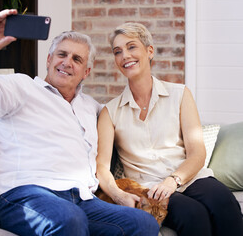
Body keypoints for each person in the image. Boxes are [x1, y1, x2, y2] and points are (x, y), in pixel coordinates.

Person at [0, 10, 159, 236]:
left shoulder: (92, 108)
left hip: (82, 200)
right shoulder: (20, 88)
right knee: (69, 219)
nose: (67, 62)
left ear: (86, 72)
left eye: (77, 59)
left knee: (144, 223)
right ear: (49, 59)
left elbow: (131, 126)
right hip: (23, 194)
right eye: (62, 54)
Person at [96, 22, 243, 236]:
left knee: (225, 203)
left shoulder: (180, 94)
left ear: (150, 51)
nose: (125, 55)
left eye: (131, 47)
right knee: (193, 216)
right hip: (148, 187)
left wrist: (173, 180)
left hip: (188, 177)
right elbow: (101, 166)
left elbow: (197, 152)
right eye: (117, 51)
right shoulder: (110, 112)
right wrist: (119, 195)